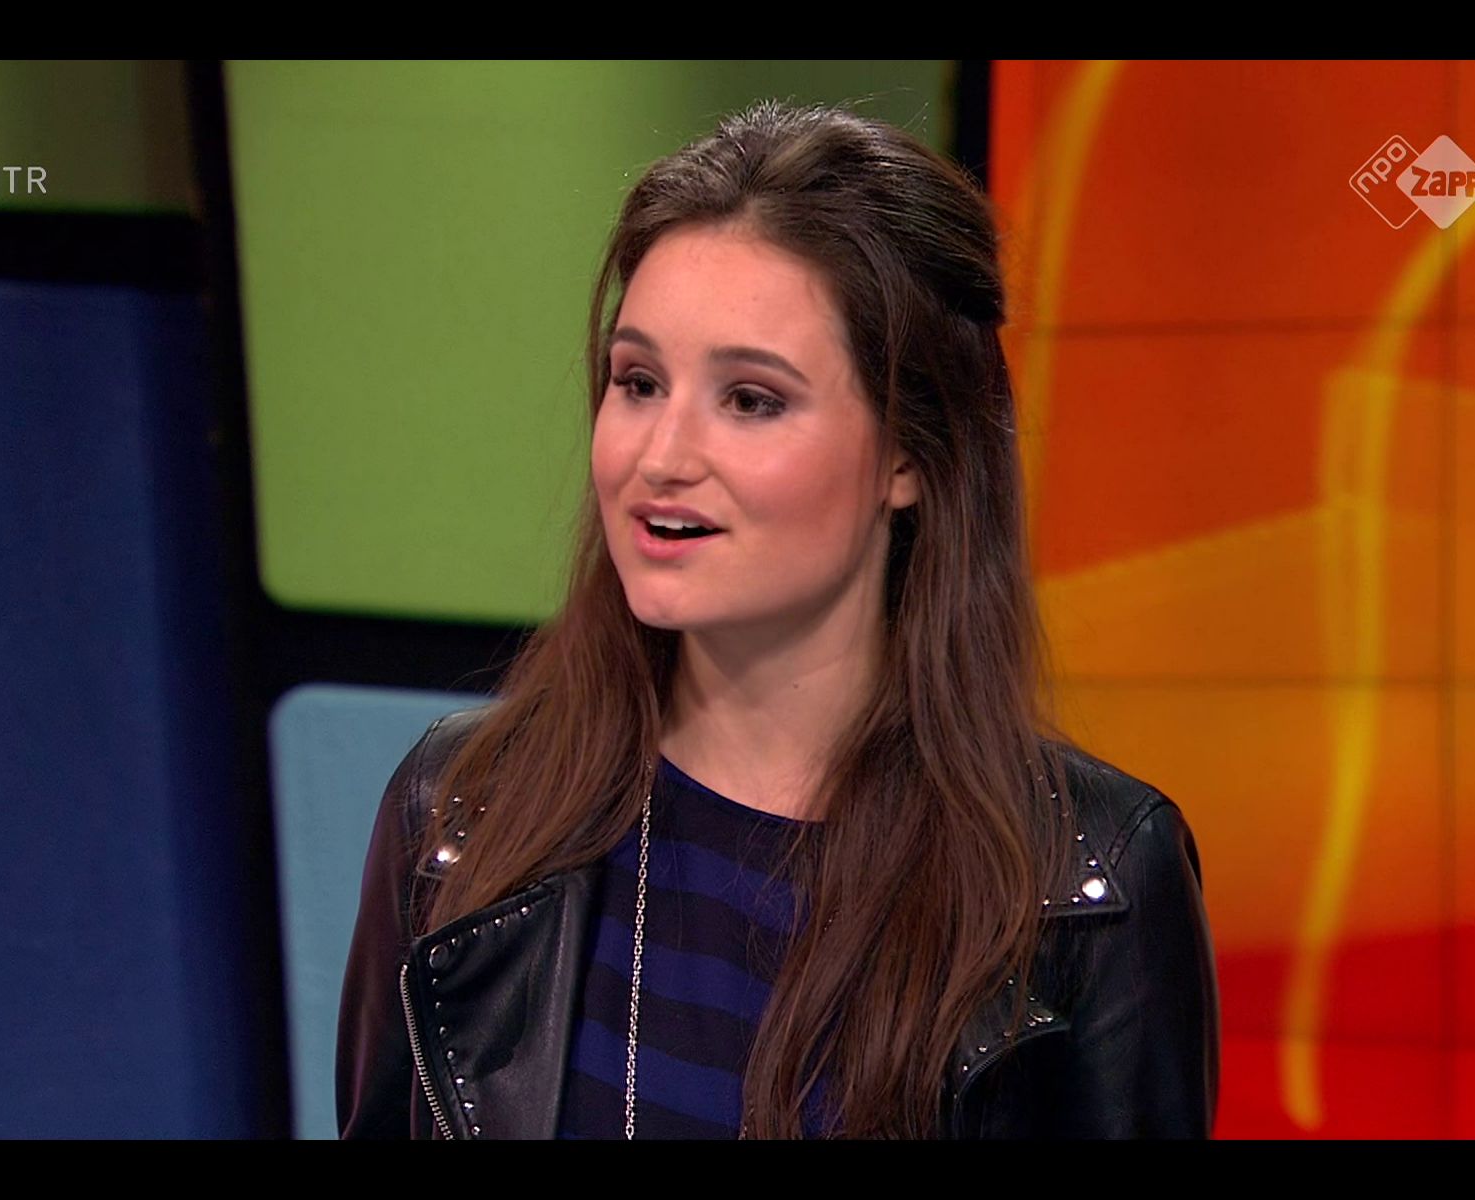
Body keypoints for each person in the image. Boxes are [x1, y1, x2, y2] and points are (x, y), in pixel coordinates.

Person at [336, 98, 1219, 1140]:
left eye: (751, 399)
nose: (661, 456)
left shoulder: (1091, 886)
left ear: (909, 455)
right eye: (638, 382)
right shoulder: (459, 812)